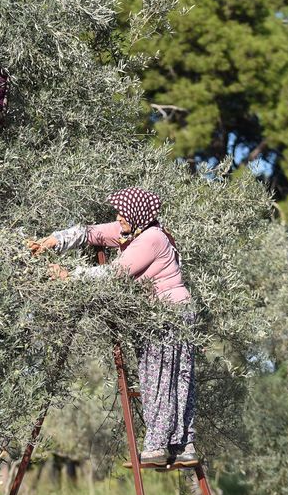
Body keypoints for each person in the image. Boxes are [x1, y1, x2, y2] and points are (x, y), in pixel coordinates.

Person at [28, 187, 198, 467]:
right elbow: (91, 233)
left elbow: (113, 274)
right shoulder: (134, 230)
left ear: (137, 214)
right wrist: (54, 241)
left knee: (159, 378)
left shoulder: (151, 238)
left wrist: (68, 276)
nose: (118, 217)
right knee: (176, 379)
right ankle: (182, 446)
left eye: (123, 213)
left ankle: (157, 447)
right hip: (176, 313)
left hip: (167, 316)